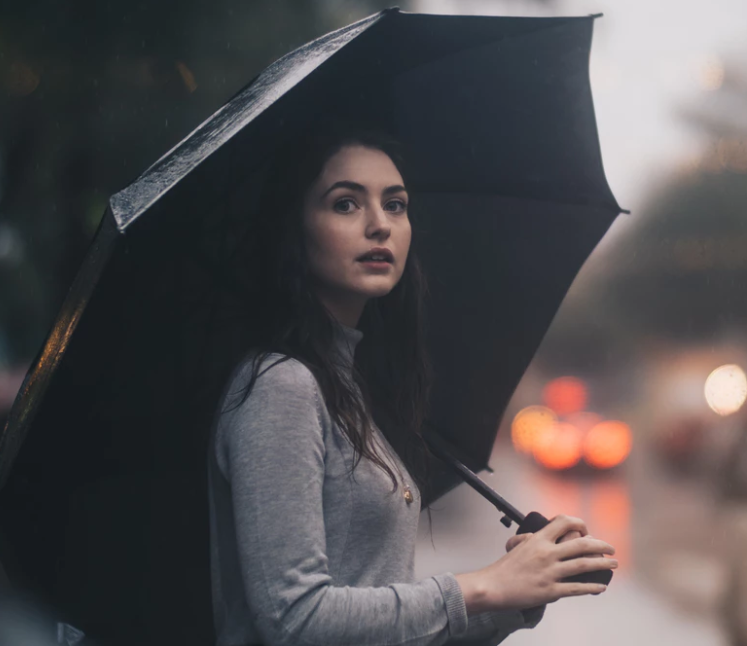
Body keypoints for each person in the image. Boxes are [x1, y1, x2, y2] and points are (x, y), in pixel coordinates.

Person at [206, 124, 618, 646]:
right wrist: (485, 587)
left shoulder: (350, 387)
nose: (380, 225)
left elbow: (388, 624)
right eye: (345, 205)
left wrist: (519, 594)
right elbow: (296, 620)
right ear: (294, 227)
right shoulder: (281, 387)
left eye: (395, 204)